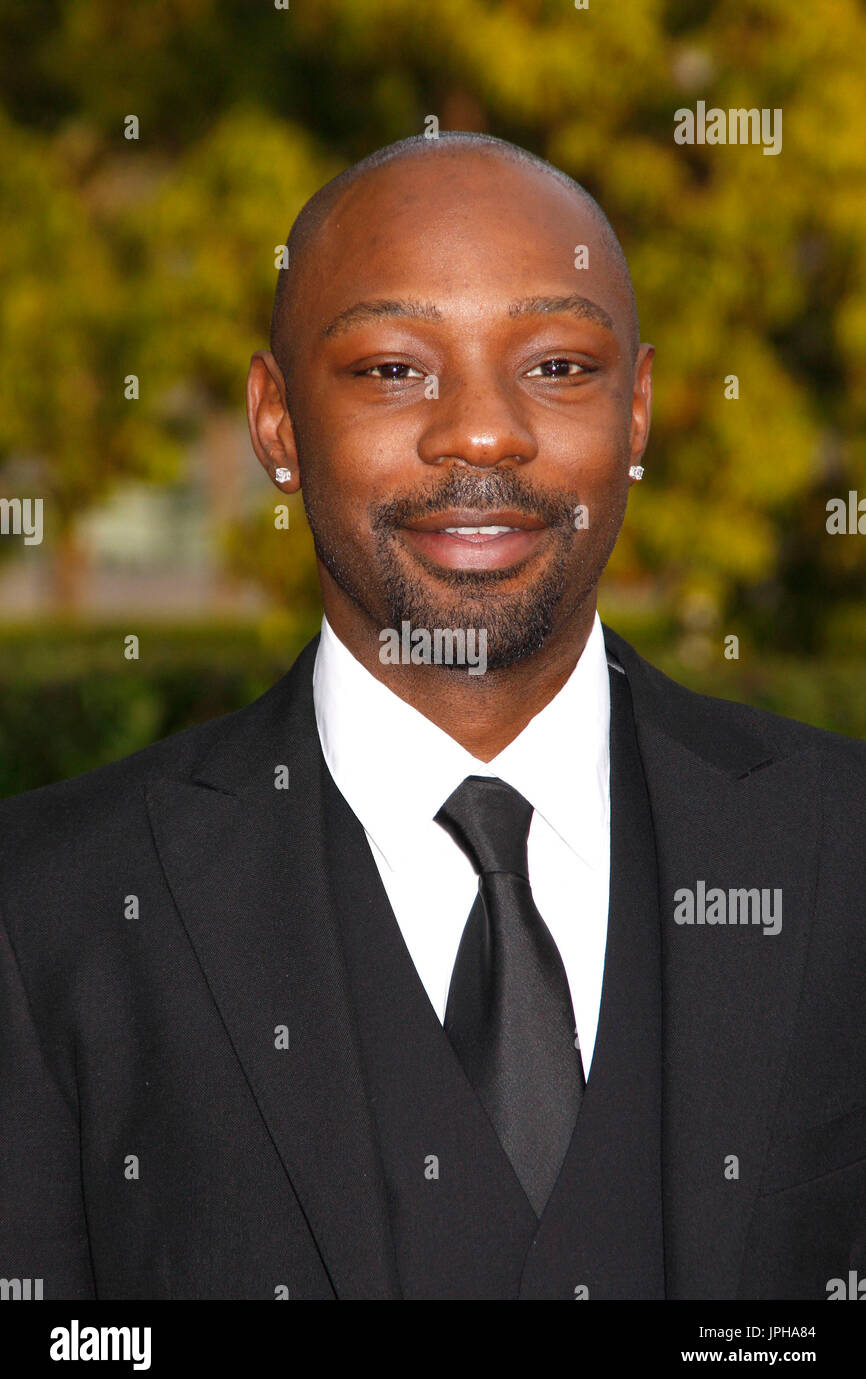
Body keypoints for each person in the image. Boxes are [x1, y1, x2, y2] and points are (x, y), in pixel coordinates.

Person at [1, 132, 864, 1301]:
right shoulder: (50, 911)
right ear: (275, 423)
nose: (481, 431)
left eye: (557, 365)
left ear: (640, 411)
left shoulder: (838, 847)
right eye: (392, 368)